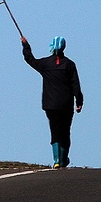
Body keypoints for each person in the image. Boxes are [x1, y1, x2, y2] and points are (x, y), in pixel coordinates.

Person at [22, 35, 83, 168]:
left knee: (55, 131)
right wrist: (79, 101)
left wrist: (26, 46)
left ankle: (57, 160)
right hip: (66, 105)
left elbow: (29, 59)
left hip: (50, 105)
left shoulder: (45, 64)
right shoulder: (69, 64)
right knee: (65, 131)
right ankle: (63, 159)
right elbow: (75, 85)